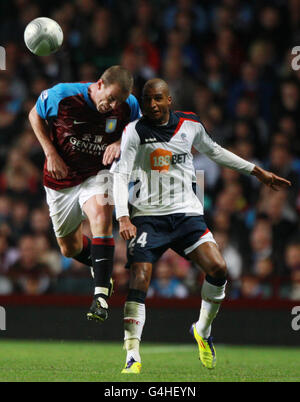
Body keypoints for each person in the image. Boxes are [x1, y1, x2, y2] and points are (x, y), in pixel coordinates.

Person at [111, 78, 291, 373]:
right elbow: (120, 176)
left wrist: (257, 171)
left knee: (219, 269)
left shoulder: (190, 124)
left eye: (158, 98)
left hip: (186, 215)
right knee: (140, 276)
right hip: (147, 216)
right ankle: (132, 354)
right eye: (147, 100)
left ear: (170, 100)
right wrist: (123, 216)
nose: (152, 105)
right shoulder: (135, 132)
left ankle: (202, 329)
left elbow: (216, 152)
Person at [28, 65, 141, 322]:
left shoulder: (130, 104)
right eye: (110, 97)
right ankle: (103, 270)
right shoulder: (62, 96)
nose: (112, 106)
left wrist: (119, 142)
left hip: (96, 175)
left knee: (101, 216)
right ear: (99, 84)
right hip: (61, 179)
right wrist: (50, 152)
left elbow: (138, 128)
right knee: (70, 248)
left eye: (118, 101)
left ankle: (100, 297)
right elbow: (34, 115)